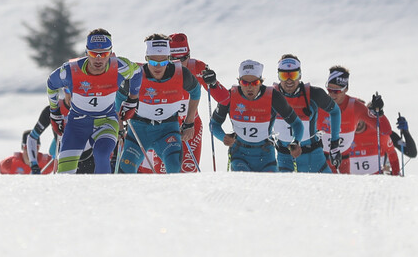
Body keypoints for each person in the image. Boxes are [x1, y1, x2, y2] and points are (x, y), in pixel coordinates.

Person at [47, 28, 142, 174]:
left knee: (102, 155)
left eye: (103, 54)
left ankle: (103, 194)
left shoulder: (120, 67)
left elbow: (137, 73)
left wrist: (133, 99)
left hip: (106, 121)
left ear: (110, 53)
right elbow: (51, 84)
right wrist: (55, 112)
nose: (98, 59)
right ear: (86, 53)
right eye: (93, 54)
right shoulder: (71, 70)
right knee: (65, 171)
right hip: (77, 123)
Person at [146, 32, 230, 173]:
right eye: (173, 59)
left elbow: (225, 99)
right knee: (162, 175)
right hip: (163, 129)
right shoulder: (157, 70)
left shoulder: (197, 67)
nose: (179, 63)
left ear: (189, 55)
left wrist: (213, 83)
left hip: (190, 128)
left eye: (183, 58)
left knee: (188, 174)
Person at [117, 33, 201, 174]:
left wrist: (189, 121)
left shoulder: (181, 73)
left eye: (162, 62)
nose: (158, 67)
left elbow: (196, 92)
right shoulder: (136, 75)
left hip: (167, 130)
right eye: (153, 62)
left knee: (174, 166)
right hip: (139, 130)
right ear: (146, 59)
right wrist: (119, 122)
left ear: (169, 59)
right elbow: (119, 97)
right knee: (126, 168)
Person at [210, 59, 304, 172]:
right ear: (239, 82)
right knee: (243, 184)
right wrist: (224, 137)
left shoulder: (273, 96)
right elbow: (214, 124)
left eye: (254, 83)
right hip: (239, 154)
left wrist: (296, 141)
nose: (250, 87)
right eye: (245, 83)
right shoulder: (229, 96)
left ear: (261, 82)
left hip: (265, 155)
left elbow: (297, 123)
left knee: (270, 188)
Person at [318, 66, 398, 174]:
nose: (332, 95)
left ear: (345, 89)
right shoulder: (319, 103)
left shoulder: (355, 106)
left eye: (336, 91)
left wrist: (380, 113)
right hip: (320, 159)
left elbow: (385, 131)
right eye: (329, 90)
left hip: (343, 161)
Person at [273, 54, 342, 173]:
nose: (289, 80)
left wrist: (335, 144)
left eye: (293, 75)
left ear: (300, 75)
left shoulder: (315, 94)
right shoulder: (271, 96)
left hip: (313, 157)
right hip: (285, 158)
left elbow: (335, 111)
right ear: (278, 76)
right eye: (284, 75)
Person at [26, 91, 95, 174]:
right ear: (64, 91)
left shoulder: (90, 109)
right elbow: (32, 137)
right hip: (64, 161)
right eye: (68, 91)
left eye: (75, 91)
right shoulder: (53, 110)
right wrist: (34, 165)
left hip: (89, 161)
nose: (72, 96)